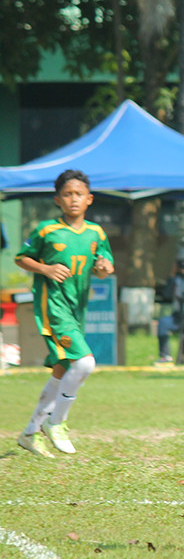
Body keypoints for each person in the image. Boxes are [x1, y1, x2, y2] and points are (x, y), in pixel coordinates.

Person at [14, 169, 114, 457]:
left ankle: (30, 432)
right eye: (68, 194)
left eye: (79, 194)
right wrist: (45, 268)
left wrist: (104, 268)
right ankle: (56, 422)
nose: (73, 199)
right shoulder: (46, 229)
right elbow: (21, 258)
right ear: (58, 199)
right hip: (52, 306)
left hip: (76, 308)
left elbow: (105, 263)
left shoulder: (97, 232)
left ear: (89, 199)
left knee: (63, 368)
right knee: (84, 364)